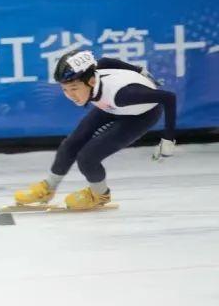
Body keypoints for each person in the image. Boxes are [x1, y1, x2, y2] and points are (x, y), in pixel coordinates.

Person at [13, 49, 177, 210]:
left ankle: (100, 195)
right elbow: (105, 61)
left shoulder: (124, 95)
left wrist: (168, 140)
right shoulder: (93, 73)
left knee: (87, 157)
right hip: (109, 105)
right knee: (70, 144)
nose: (70, 95)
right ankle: (48, 188)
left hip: (140, 116)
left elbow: (169, 98)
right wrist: (139, 70)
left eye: (74, 88)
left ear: (91, 81)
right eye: (65, 89)